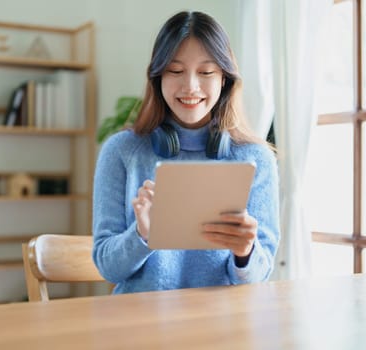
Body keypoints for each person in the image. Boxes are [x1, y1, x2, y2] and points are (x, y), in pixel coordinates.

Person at [92, 10, 280, 293]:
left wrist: (245, 253)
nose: (190, 87)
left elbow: (260, 274)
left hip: (221, 324)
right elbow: (108, 267)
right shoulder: (121, 151)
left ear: (224, 80)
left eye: (206, 72)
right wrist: (142, 234)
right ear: (158, 77)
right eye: (176, 71)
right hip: (138, 324)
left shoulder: (256, 158)